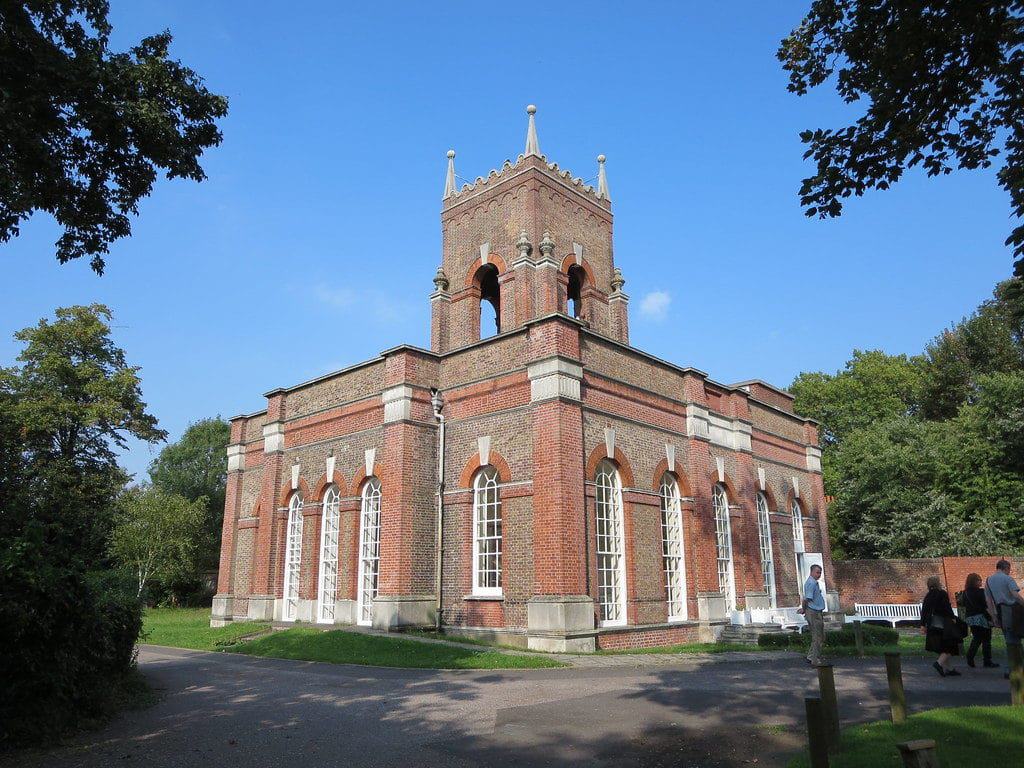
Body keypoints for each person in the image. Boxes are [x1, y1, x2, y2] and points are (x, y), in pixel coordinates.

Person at [986, 559, 1024, 680]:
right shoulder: (1008, 579)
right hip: (1012, 612)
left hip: (1000, 612)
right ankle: (1013, 669)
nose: (1009, 572)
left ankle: (1014, 667)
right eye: (1009, 569)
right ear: (1006, 568)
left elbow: (988, 601)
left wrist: (993, 616)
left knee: (1009, 640)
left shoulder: (988, 580)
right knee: (1015, 642)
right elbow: (1015, 595)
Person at [921, 575, 960, 677]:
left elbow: (924, 611)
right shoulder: (942, 593)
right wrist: (953, 618)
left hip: (932, 624)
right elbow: (947, 607)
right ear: (937, 583)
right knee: (950, 647)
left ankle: (949, 669)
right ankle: (938, 664)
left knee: (942, 648)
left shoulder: (928, 595)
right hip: (943, 624)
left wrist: (922, 624)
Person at [962, 573, 998, 668]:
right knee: (986, 639)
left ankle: (970, 656)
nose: (980, 582)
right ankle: (987, 661)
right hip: (981, 618)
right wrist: (991, 618)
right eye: (979, 580)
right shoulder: (980, 592)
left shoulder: (965, 593)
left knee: (977, 638)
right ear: (974, 581)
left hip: (971, 618)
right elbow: (984, 606)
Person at [797, 564, 826, 666]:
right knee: (817, 636)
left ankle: (811, 657)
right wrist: (804, 609)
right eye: (817, 572)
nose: (819, 575)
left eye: (820, 573)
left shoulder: (814, 583)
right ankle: (814, 660)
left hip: (816, 611)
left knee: (821, 636)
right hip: (813, 612)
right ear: (812, 572)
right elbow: (806, 599)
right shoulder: (811, 583)